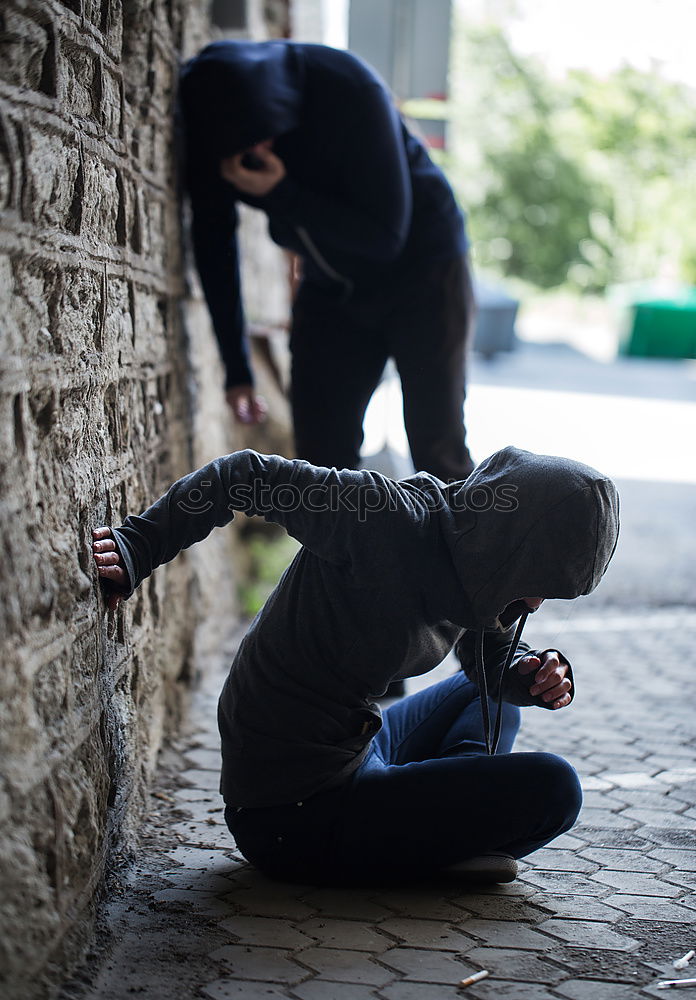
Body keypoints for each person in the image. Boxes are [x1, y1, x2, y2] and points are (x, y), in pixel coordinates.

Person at [91, 445, 619, 885]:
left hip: (360, 749)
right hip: (291, 810)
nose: (533, 605)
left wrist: (530, 675)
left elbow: (490, 663)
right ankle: (437, 840)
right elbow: (241, 476)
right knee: (555, 786)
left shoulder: (482, 565)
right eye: (537, 585)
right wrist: (140, 544)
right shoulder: (379, 516)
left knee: (488, 705)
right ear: (509, 546)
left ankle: (435, 824)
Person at [178, 40, 476, 482]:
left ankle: (465, 549)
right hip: (331, 283)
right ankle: (342, 552)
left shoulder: (348, 87)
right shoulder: (214, 123)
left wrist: (282, 195)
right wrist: (236, 369)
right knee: (319, 461)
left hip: (424, 268)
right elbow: (213, 240)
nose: (258, 149)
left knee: (437, 445)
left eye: (267, 136)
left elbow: (384, 237)